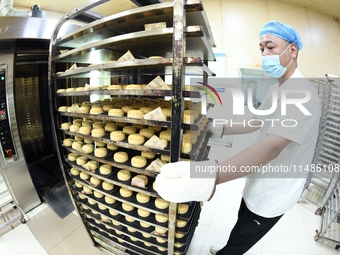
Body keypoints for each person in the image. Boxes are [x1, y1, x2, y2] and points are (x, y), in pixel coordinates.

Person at [155, 20, 321, 255]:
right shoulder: (277, 88)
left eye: (270, 47)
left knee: (242, 239)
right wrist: (216, 127)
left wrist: (209, 176)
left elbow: (272, 146)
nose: (264, 54)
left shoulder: (301, 93)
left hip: (276, 191)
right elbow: (255, 122)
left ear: (292, 51)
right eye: (261, 48)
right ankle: (227, 247)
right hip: (257, 180)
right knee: (240, 222)